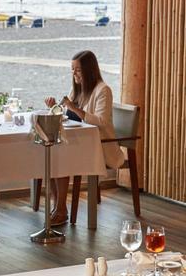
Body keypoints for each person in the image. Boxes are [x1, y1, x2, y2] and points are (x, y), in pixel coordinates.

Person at [44, 50, 125, 226]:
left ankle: (60, 210)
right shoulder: (77, 89)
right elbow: (67, 115)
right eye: (72, 70)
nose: (74, 74)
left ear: (89, 70)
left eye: (78, 70)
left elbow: (101, 122)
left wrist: (74, 108)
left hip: (99, 145)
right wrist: (54, 108)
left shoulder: (103, 90)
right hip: (78, 142)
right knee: (50, 154)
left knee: (61, 157)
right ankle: (57, 206)